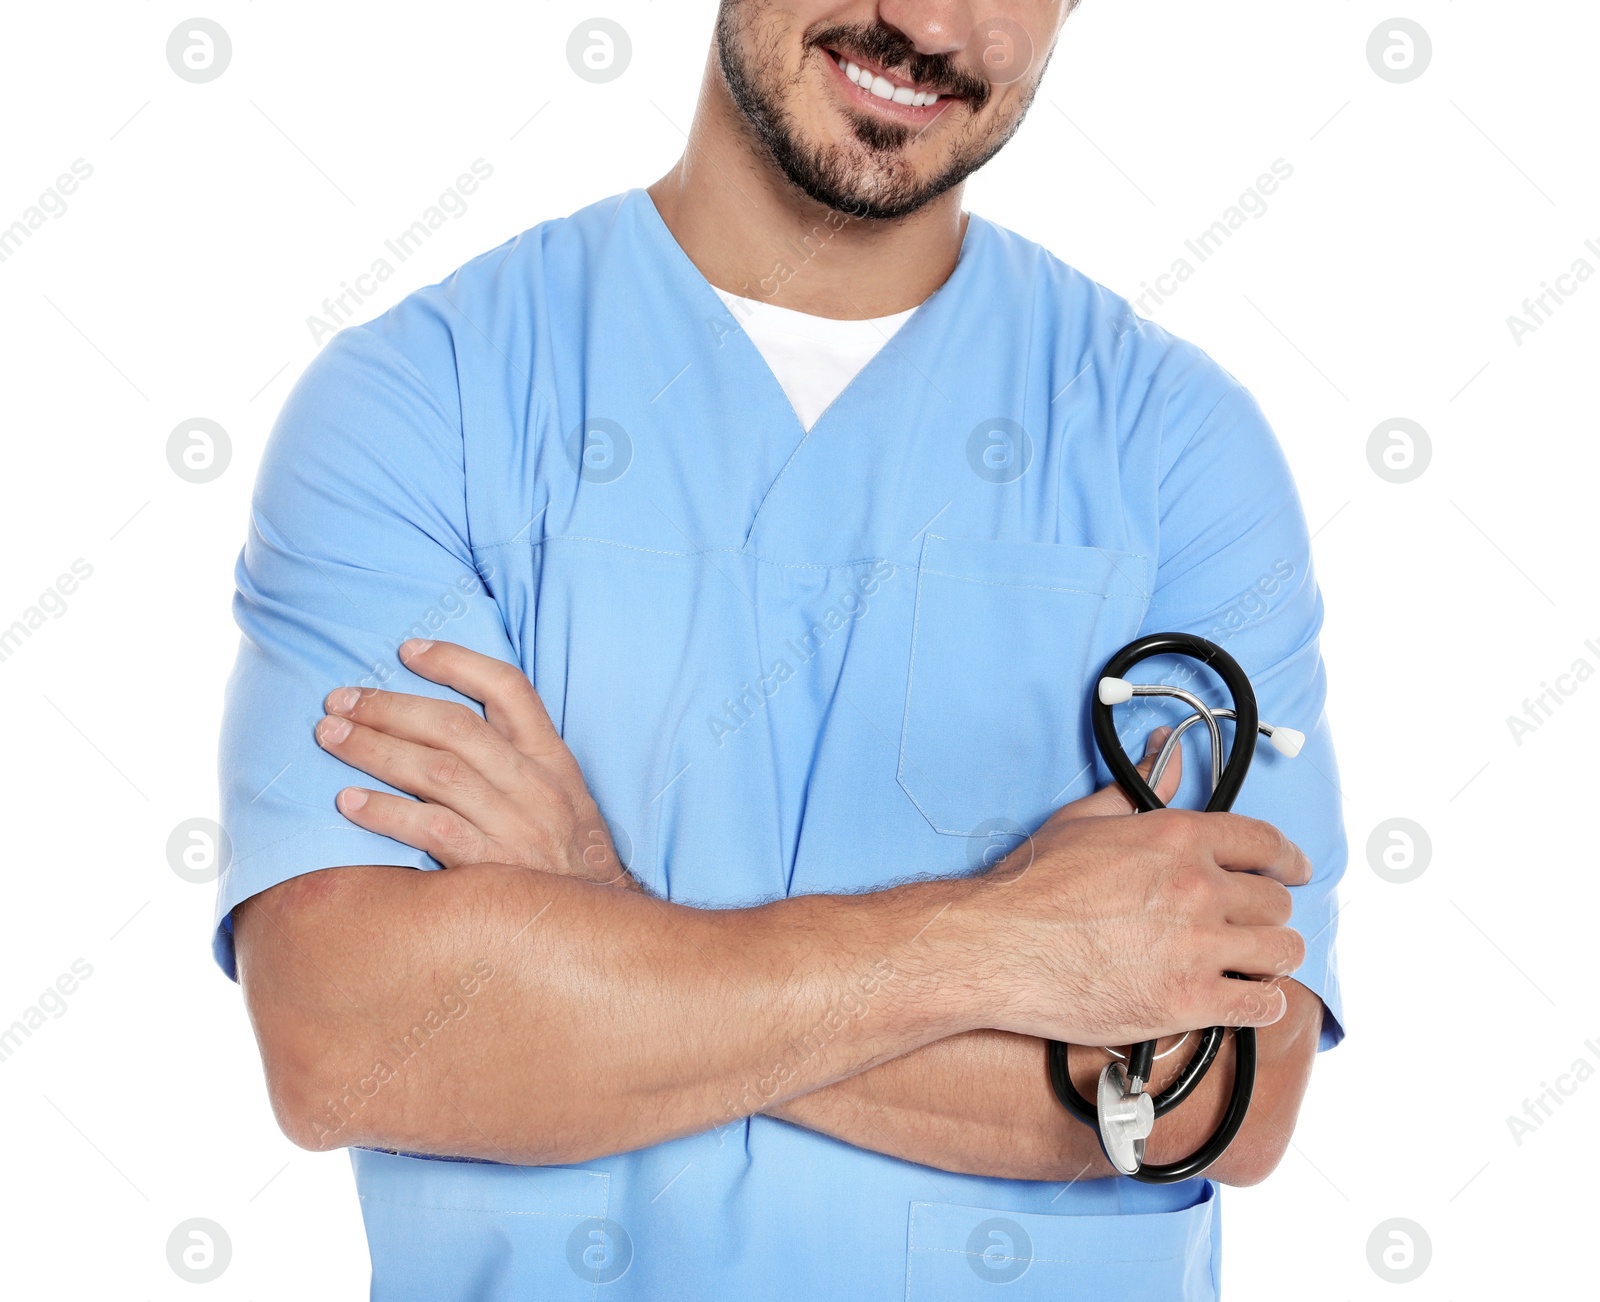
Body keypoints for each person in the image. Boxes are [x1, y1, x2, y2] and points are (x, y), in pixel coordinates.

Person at [215, 3, 1346, 1297]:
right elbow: (344, 1036)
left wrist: (602, 931)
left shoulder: (1176, 446)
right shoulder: (430, 401)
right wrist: (1003, 943)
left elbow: (1238, 1092)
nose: (930, 23)